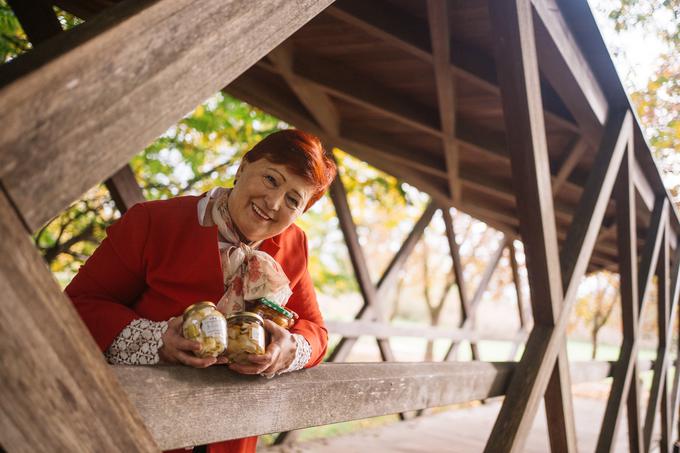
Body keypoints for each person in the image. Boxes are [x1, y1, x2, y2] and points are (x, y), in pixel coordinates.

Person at [65, 129, 337, 453]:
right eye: (271, 179)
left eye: (293, 199)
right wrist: (159, 342)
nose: (274, 202)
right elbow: (77, 305)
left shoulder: (295, 247)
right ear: (242, 167)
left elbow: (316, 332)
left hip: (232, 434)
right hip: (140, 423)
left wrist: (287, 349)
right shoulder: (153, 221)